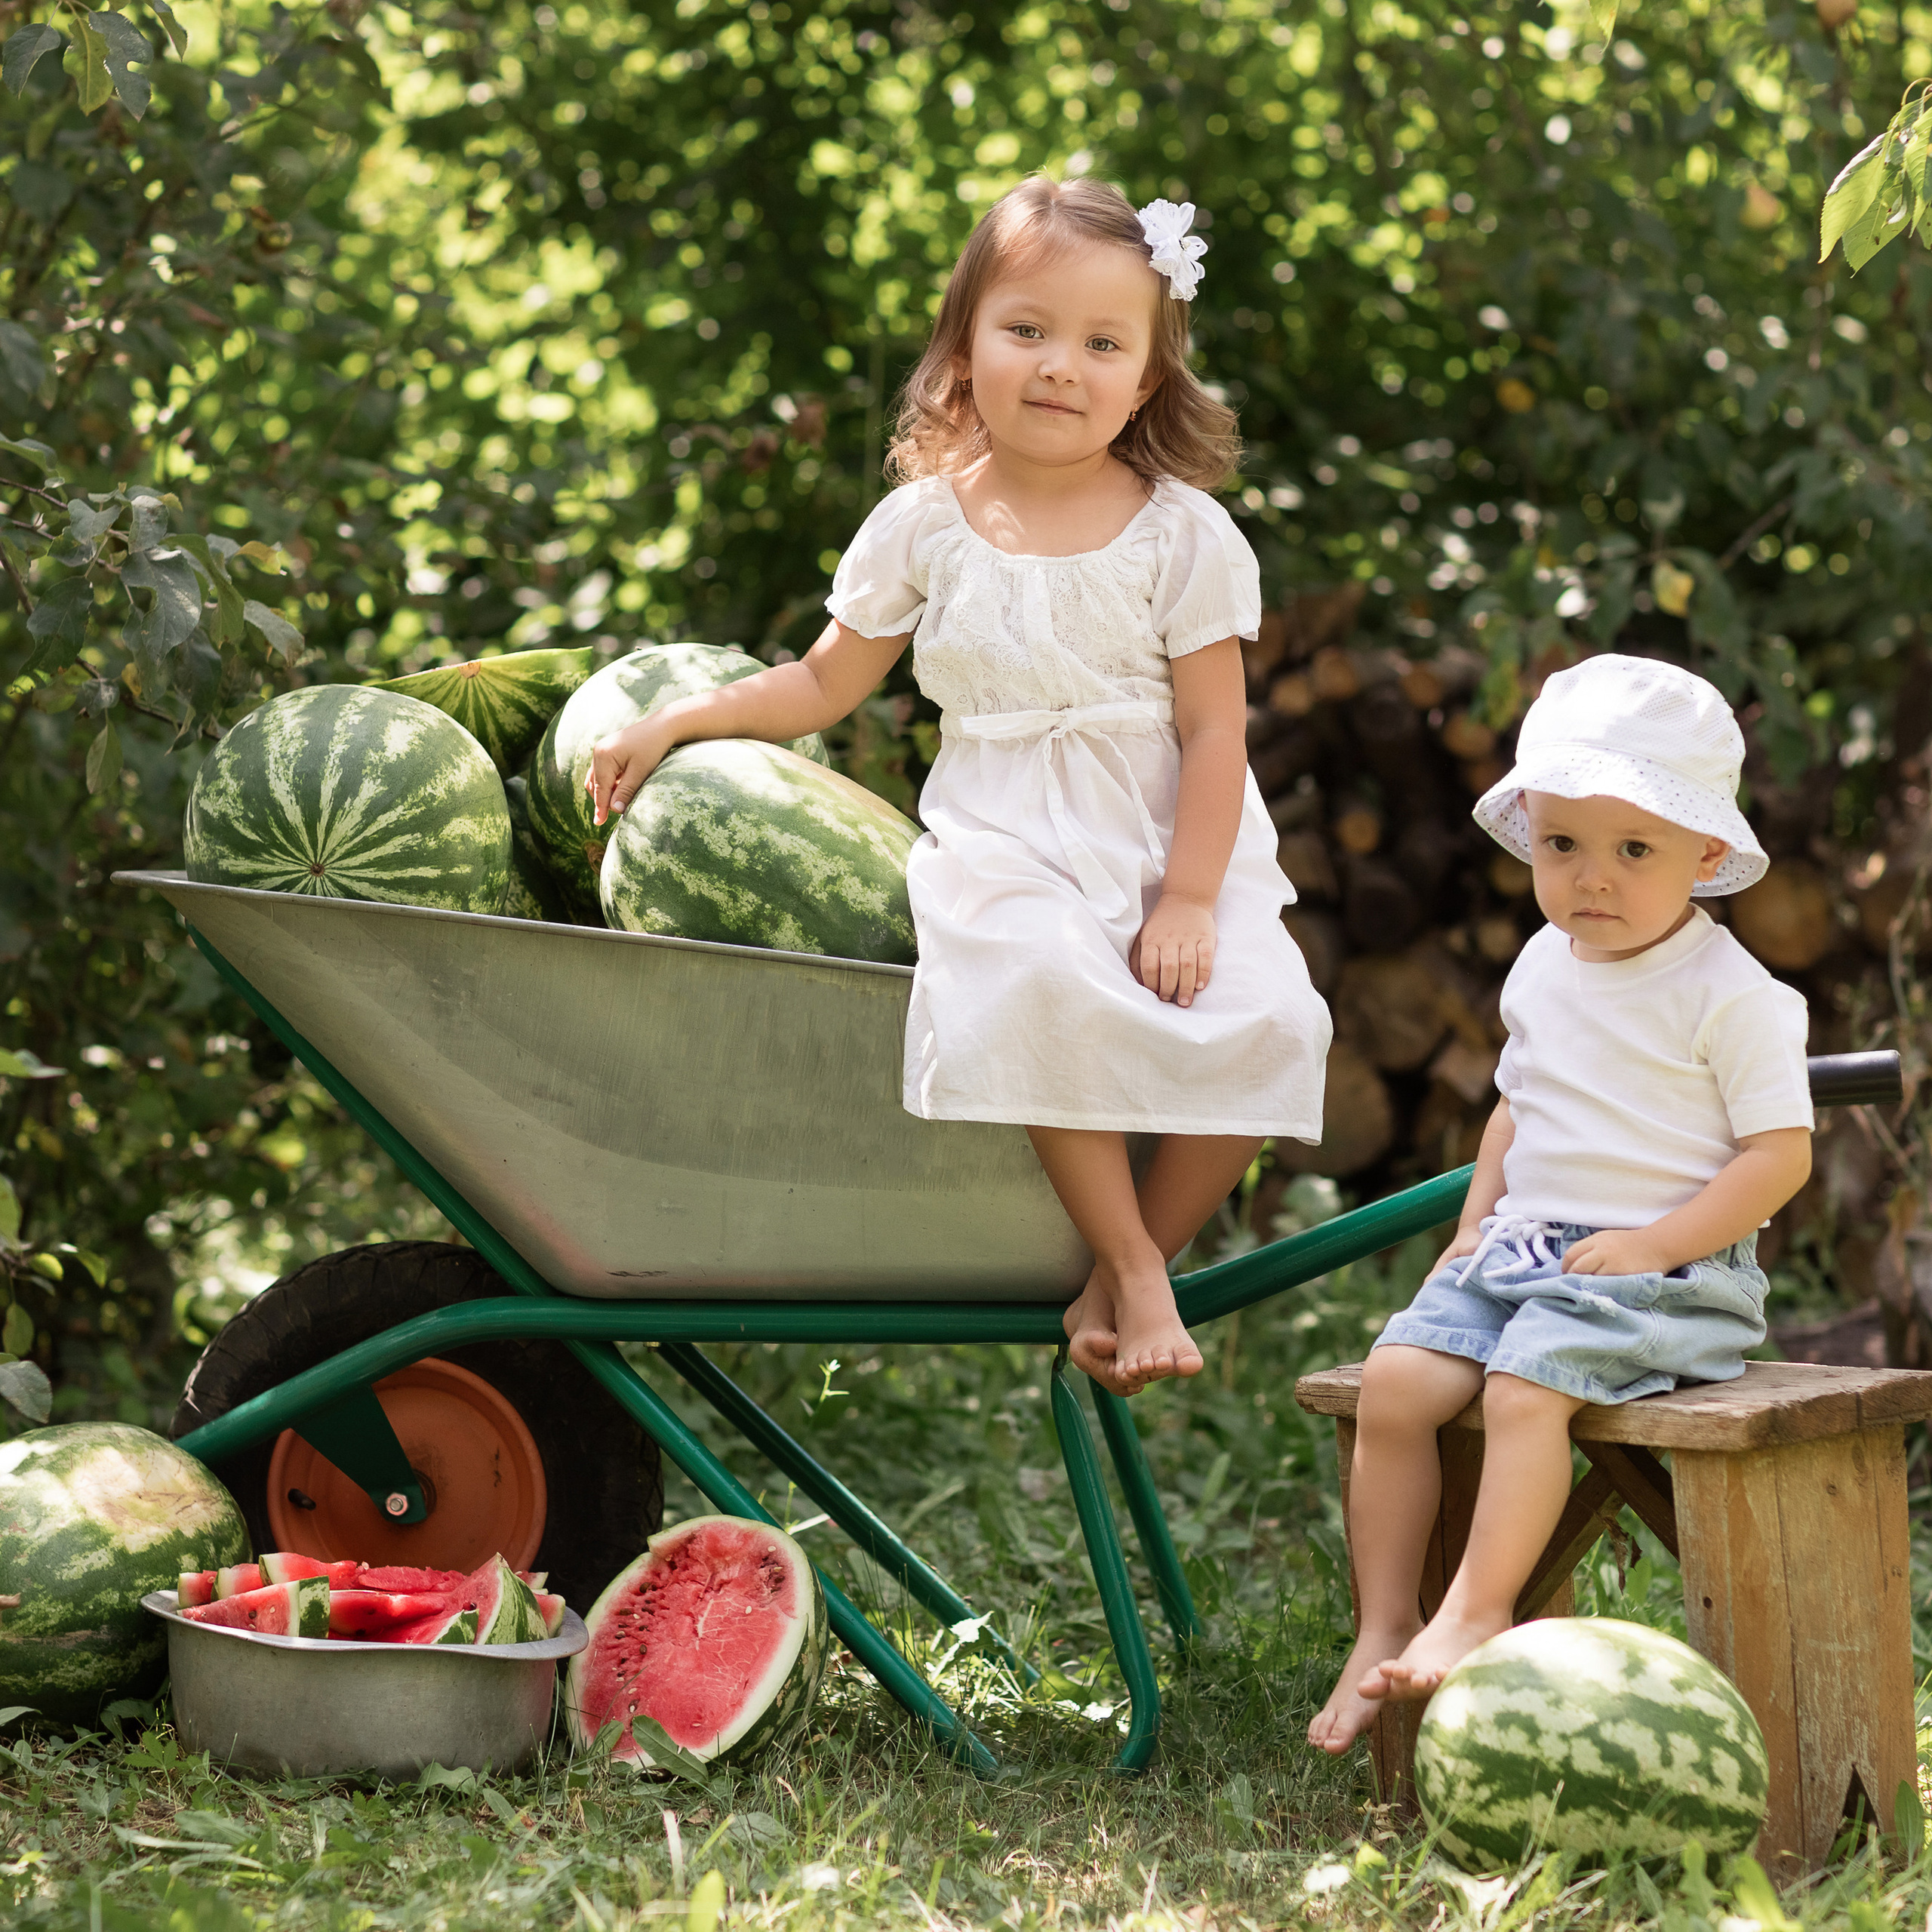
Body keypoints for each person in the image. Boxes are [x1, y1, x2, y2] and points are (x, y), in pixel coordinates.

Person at [586, 175, 1331, 1395]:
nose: (1059, 367)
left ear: (1147, 378)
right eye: (1026, 330)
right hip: (1008, 837)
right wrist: (686, 717)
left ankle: (1122, 1264)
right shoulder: (924, 527)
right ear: (964, 345)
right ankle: (1140, 1274)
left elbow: (1212, 731)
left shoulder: (1184, 532)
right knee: (1038, 984)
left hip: (1162, 836)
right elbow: (821, 686)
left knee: (1278, 1023)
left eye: (1103, 344)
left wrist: (1191, 896)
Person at [1308, 654, 1814, 1754]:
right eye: (1563, 844)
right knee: (1398, 1383)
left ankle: (1478, 1611)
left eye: (1635, 849)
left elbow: (1778, 1159)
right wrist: (1469, 1227)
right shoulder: (1543, 963)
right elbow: (1515, 1110)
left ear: (1707, 855)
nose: (1594, 877)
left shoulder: (1734, 995)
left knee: (1523, 1390)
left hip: (1677, 1268)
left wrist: (1653, 1244)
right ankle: (1383, 1621)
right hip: (1527, 1252)